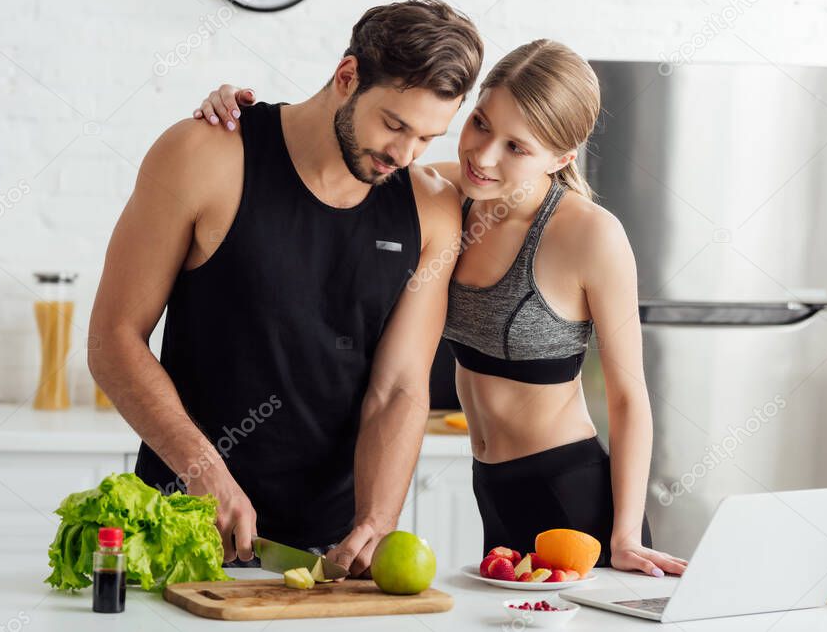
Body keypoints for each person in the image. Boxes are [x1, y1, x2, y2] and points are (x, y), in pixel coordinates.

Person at [191, 41, 688, 578]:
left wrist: (625, 532)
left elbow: (628, 395)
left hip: (571, 497)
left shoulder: (590, 235)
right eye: (480, 123)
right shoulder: (446, 192)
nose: (484, 155)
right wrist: (245, 117)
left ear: (561, 158)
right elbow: (341, 152)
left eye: (516, 148)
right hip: (491, 487)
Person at [87, 0, 483, 576]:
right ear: (347, 77)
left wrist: (377, 519)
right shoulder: (204, 154)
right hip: (184, 534)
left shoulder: (432, 212)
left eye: (427, 138)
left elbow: (398, 387)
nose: (404, 153)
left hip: (328, 556)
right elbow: (113, 339)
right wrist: (206, 475)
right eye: (394, 124)